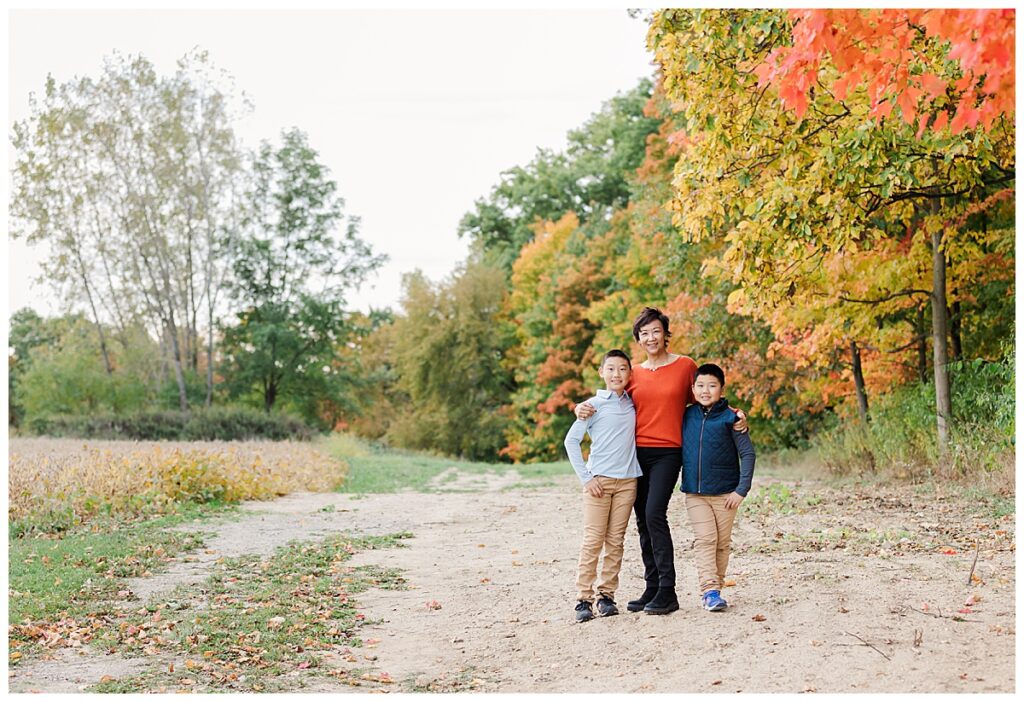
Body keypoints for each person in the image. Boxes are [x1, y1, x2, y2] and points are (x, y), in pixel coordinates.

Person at [574, 307, 747, 615]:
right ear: (638, 339)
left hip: (668, 452)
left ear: (665, 334)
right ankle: (652, 587)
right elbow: (611, 397)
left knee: (655, 513)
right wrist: (581, 407)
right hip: (636, 454)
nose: (651, 338)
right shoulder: (634, 373)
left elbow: (707, 396)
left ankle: (668, 591)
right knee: (642, 520)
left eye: (656, 331)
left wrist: (735, 414)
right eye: (644, 334)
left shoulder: (684, 366)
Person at [564, 349, 643, 623]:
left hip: (627, 482)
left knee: (615, 541)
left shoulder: (633, 403)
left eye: (622, 369)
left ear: (629, 373)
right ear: (601, 372)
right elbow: (571, 442)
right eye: (610, 369)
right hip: (599, 482)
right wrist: (587, 478)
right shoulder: (592, 405)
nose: (616, 374)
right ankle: (583, 599)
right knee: (593, 540)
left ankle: (606, 596)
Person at [680, 362, 755, 612]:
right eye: (700, 385)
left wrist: (741, 490)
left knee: (722, 543)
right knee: (706, 539)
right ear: (692, 388)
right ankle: (709, 590)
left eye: (712, 386)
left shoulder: (732, 418)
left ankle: (717, 590)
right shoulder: (686, 415)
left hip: (726, 495)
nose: (705, 390)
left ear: (721, 390)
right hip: (696, 493)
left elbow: (748, 454)